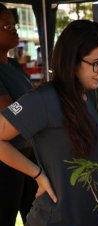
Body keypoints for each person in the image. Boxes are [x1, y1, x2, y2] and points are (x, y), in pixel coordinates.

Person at [0, 19, 98, 226]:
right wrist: (37, 174)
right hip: (55, 218)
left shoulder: (89, 95)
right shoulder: (44, 98)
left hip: (91, 217)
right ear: (72, 60)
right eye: (96, 63)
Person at [0, 3, 37, 226]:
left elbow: (27, 104)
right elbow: (9, 112)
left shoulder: (13, 65)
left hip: (28, 155)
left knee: (34, 217)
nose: (14, 30)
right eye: (6, 26)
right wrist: (34, 106)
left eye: (14, 25)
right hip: (6, 161)